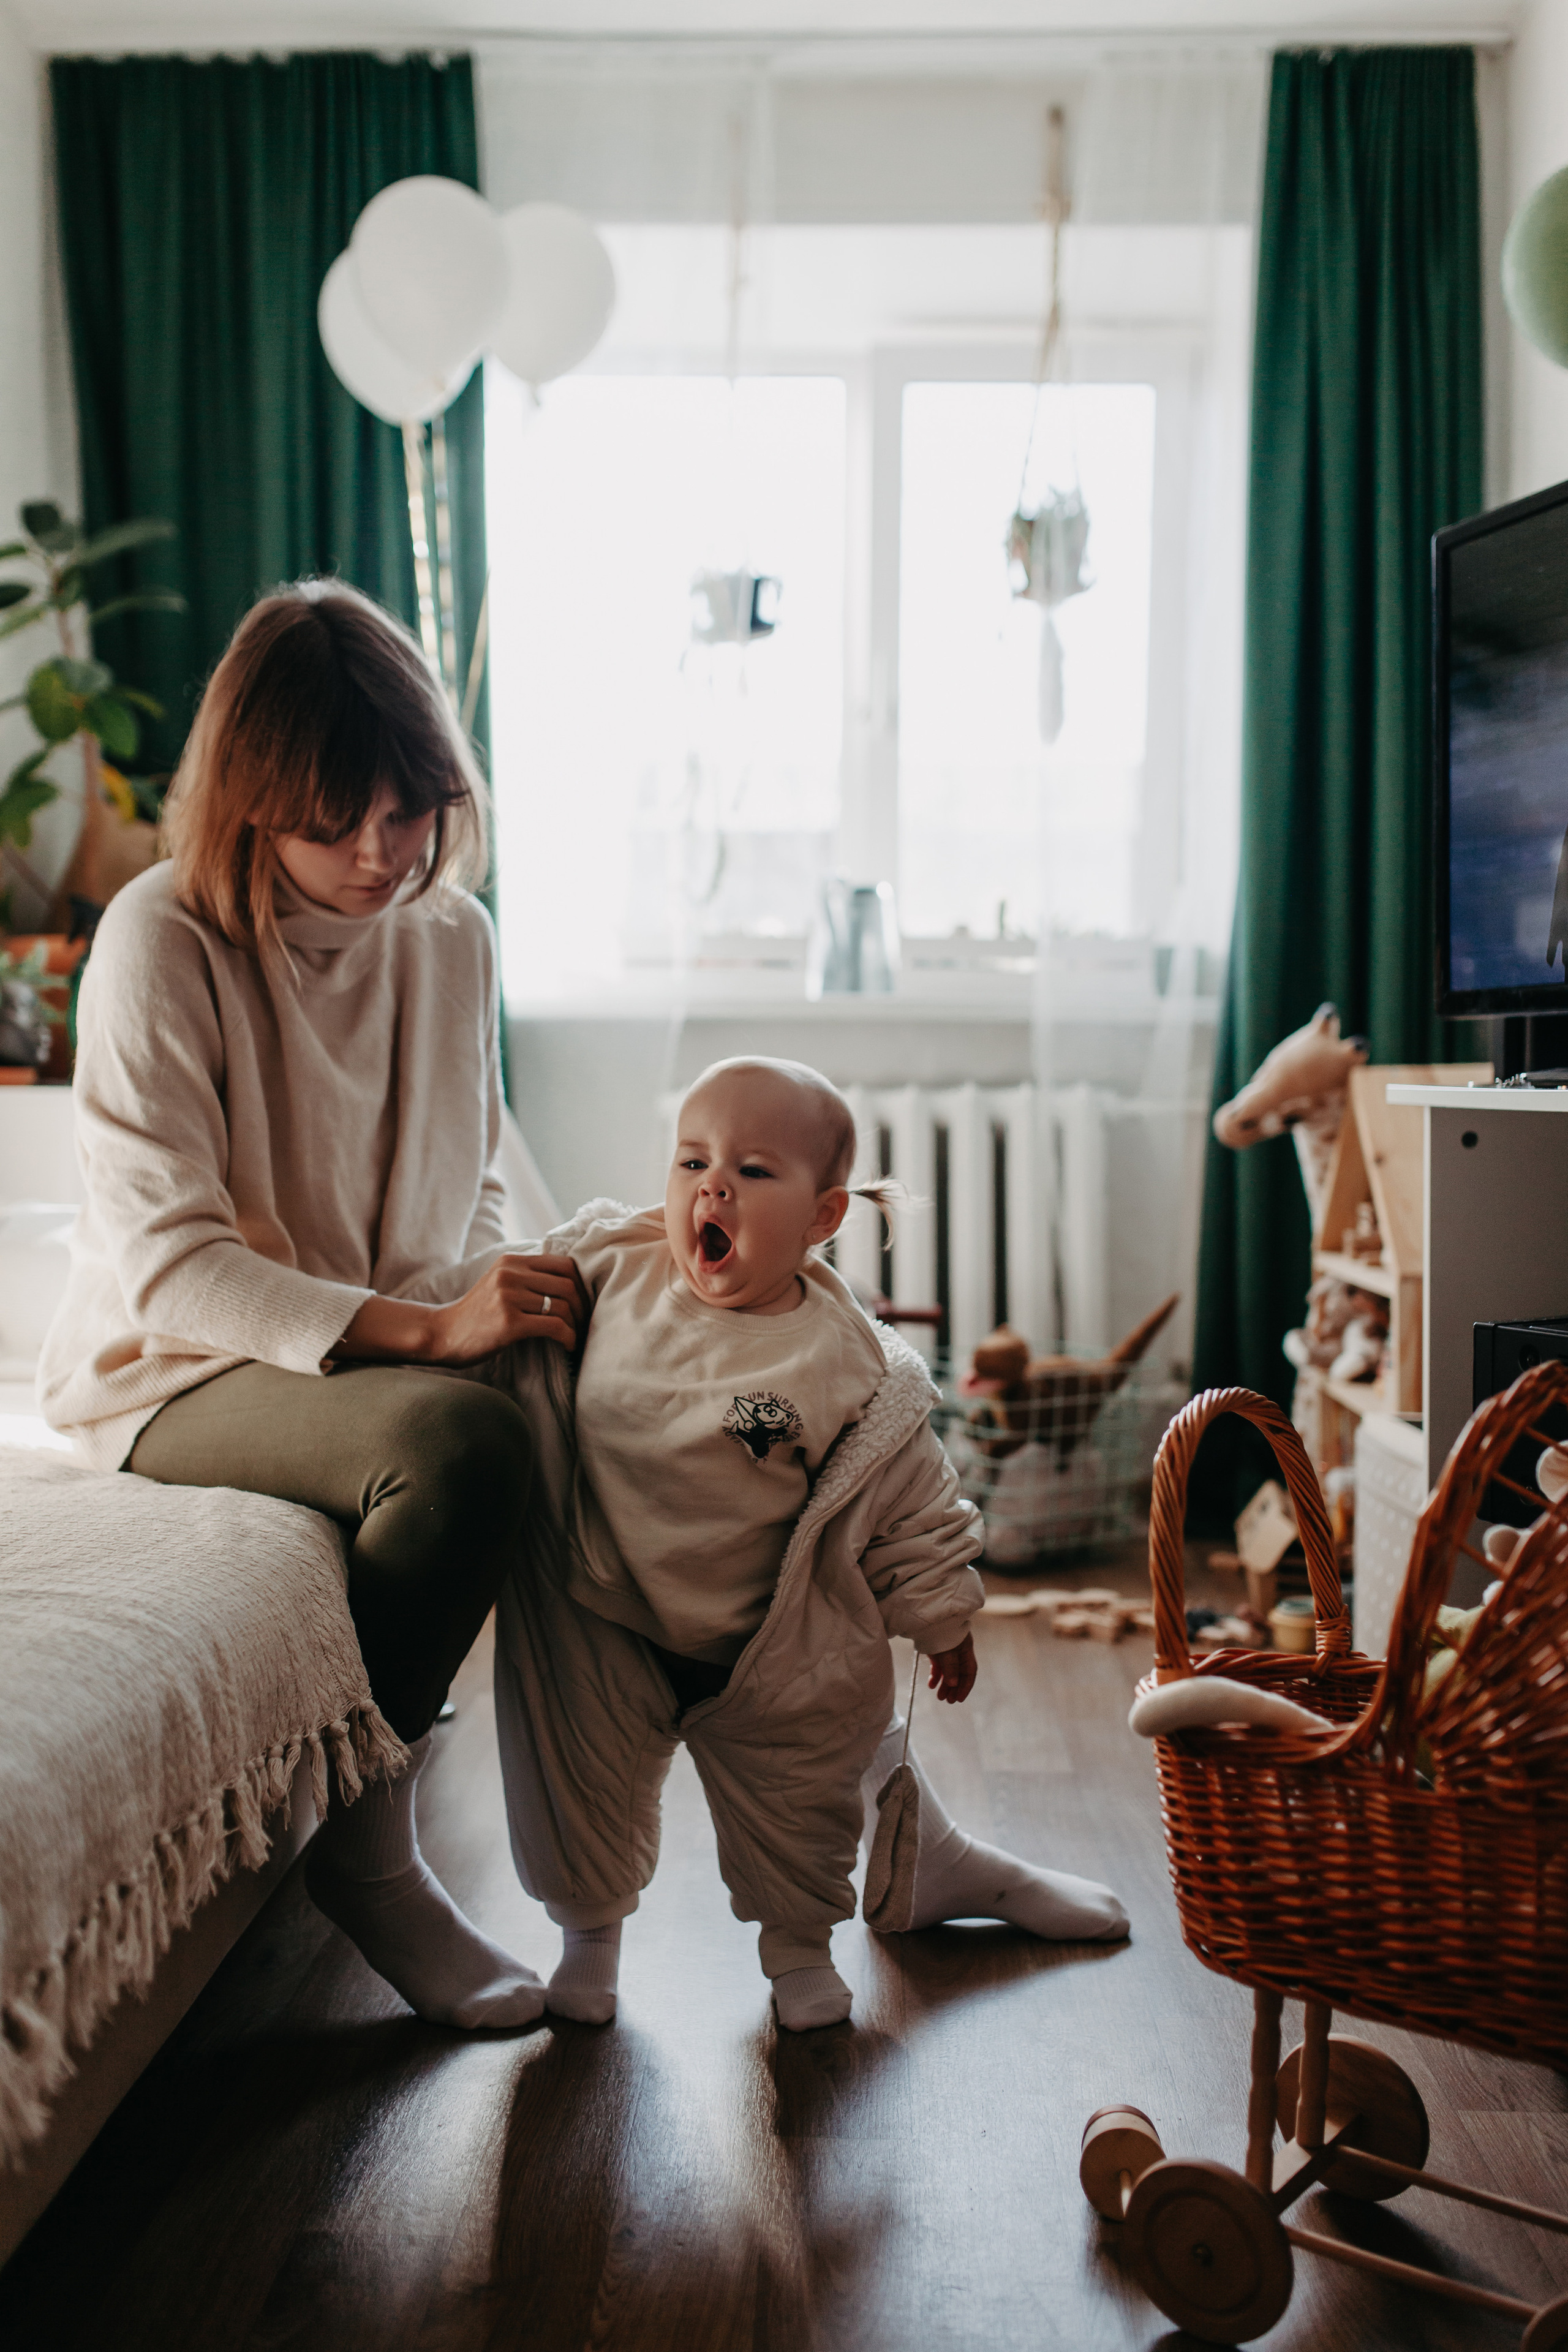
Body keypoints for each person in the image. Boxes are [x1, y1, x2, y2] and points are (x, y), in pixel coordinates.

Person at [39, 581, 583, 2032]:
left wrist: (497, 1302)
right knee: (461, 1451)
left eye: (408, 813)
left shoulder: (449, 936)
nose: (379, 855)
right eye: (335, 823)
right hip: (174, 1367)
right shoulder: (159, 938)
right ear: (251, 806)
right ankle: (370, 1862)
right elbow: (171, 1266)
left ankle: (805, 1813)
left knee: (604, 1402)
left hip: (363, 1347)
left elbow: (471, 1182)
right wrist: (435, 1337)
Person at [491, 1057, 1129, 2035]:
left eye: (752, 1172)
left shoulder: (839, 1353)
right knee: (576, 1792)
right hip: (601, 1612)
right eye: (692, 1162)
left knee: (798, 1805)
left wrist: (942, 1613)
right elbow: (490, 1306)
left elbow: (905, 1486)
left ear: (822, 1218)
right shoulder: (610, 1269)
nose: (712, 1188)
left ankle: (799, 1950)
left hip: (769, 1640)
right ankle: (588, 1945)